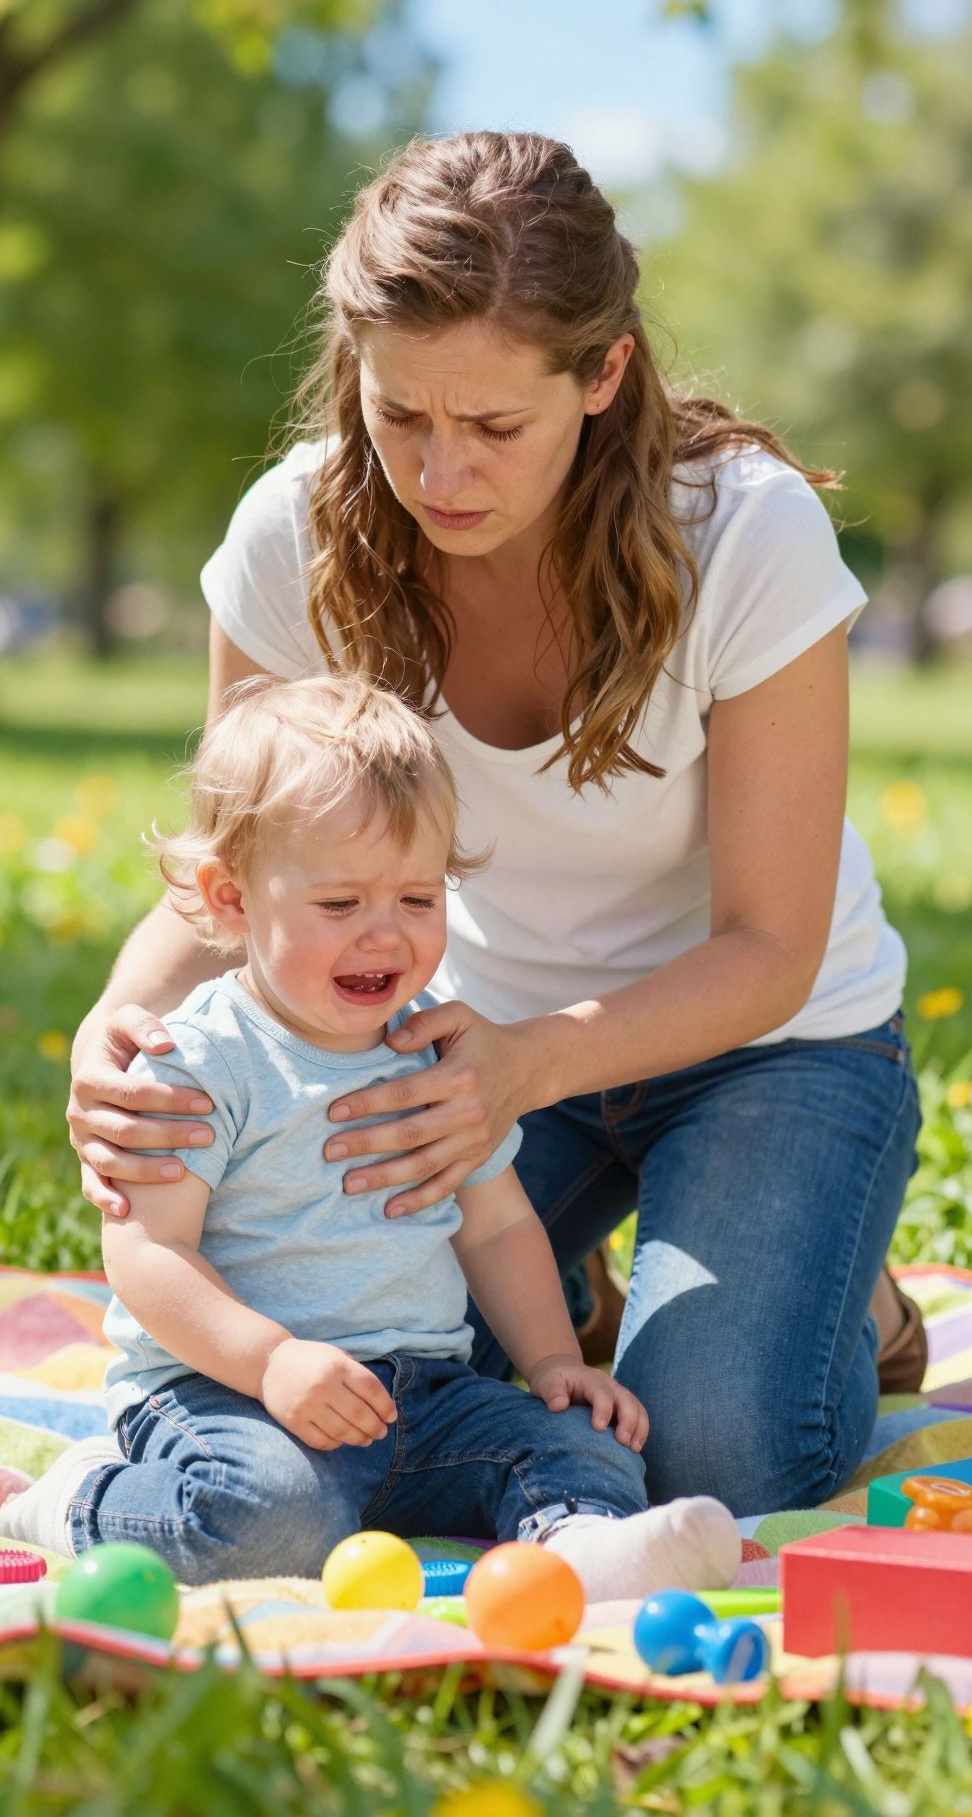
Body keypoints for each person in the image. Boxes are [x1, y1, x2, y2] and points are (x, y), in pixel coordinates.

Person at [64, 130, 923, 1521]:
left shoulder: (744, 535)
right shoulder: (296, 535)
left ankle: (847, 1291)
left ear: (604, 374)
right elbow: (242, 871)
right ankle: (580, 1285)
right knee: (368, 1383)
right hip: (469, 1050)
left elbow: (773, 945)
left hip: (770, 1046)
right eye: (400, 413)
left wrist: (529, 1065)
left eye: (495, 427)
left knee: (709, 1449)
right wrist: (116, 1028)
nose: (439, 470)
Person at [0, 676, 741, 1594]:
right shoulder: (197, 1060)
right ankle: (84, 1498)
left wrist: (554, 1361)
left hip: (422, 1397)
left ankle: (581, 1547)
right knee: (275, 1515)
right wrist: (271, 1360)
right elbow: (148, 1254)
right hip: (227, 1395)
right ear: (231, 899)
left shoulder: (432, 1053)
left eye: (418, 899)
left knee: (580, 1439)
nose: (385, 937)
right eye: (340, 905)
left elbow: (499, 1226)